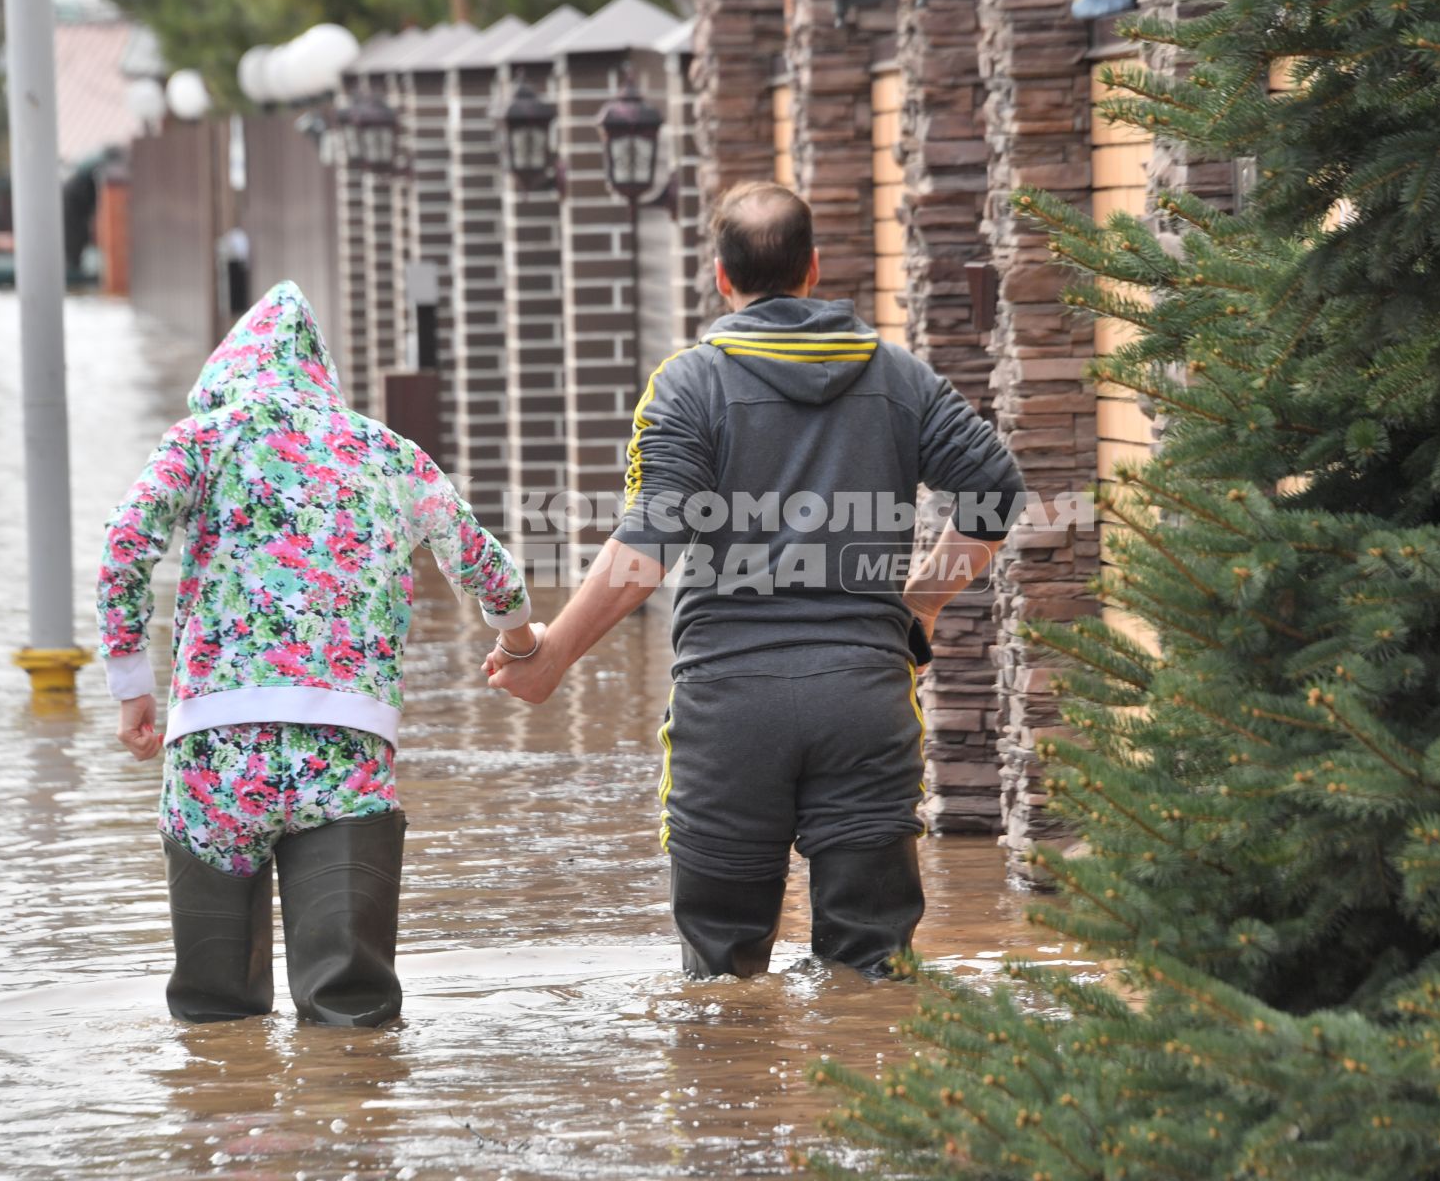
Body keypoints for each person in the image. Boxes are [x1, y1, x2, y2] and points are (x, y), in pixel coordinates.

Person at [486, 182, 1024, 979]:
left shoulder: (689, 385)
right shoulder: (899, 378)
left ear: (719, 276)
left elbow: (651, 538)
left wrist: (556, 653)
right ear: (814, 270)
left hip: (729, 712)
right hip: (865, 701)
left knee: (719, 983)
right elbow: (997, 491)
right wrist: (920, 602)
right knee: (873, 977)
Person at [97, 280, 535, 1026]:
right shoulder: (386, 451)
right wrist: (520, 637)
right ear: (318, 373)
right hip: (347, 752)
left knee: (215, 1012)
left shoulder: (203, 440)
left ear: (230, 370)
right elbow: (484, 564)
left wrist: (133, 686)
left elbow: (125, 546)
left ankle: (226, 1114)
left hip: (215, 756)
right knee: (352, 1011)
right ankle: (350, 1135)